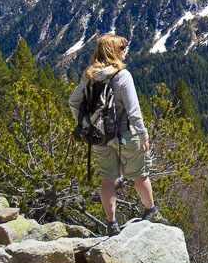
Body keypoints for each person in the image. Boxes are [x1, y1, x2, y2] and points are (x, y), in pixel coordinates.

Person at [69, 33, 163, 235]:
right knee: (140, 175)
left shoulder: (90, 76)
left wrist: (86, 123)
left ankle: (111, 224)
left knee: (107, 179)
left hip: (101, 136)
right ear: (112, 51)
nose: (125, 51)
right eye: (122, 48)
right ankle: (151, 211)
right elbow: (133, 110)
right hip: (126, 135)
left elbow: (73, 101)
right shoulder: (122, 75)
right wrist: (143, 136)